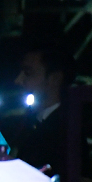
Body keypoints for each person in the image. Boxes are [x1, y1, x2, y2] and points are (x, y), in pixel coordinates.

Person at [7, 42, 74, 172]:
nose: (18, 80)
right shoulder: (30, 123)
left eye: (28, 73)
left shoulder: (66, 131)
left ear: (54, 79)